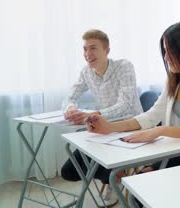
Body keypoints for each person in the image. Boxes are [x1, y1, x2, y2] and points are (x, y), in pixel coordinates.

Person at [87, 21, 180, 171]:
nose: (166, 58)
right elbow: (152, 116)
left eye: (171, 52)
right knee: (141, 177)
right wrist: (110, 127)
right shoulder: (174, 78)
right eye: (165, 51)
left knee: (146, 178)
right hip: (178, 151)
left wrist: (160, 130)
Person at [61, 29, 143, 207]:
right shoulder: (86, 72)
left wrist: (96, 115)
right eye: (85, 49)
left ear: (106, 50)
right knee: (68, 172)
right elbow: (69, 97)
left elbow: (126, 104)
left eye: (93, 48)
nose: (87, 54)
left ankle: (115, 178)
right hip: (103, 128)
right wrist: (71, 109)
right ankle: (117, 176)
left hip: (130, 125)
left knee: (105, 168)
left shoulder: (124, 66)